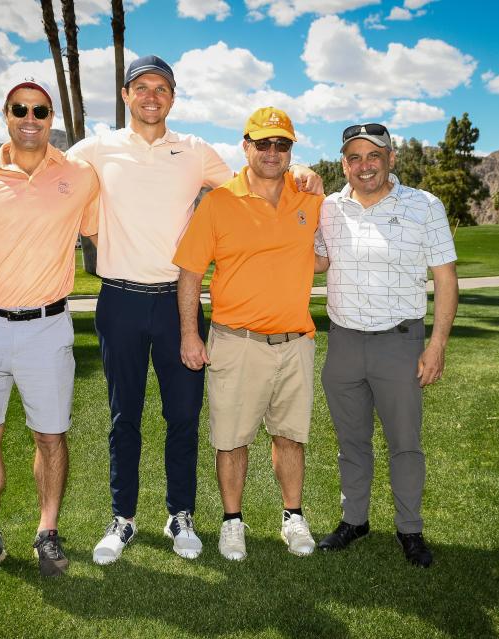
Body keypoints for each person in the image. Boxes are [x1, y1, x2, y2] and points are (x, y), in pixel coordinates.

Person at [0, 55, 323, 565]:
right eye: (140, 87)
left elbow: (254, 173)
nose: (151, 96)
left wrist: (299, 166)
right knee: (124, 417)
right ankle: (123, 518)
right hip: (119, 299)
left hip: (176, 301)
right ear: (125, 96)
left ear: (173, 96)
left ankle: (180, 515)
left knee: (183, 416)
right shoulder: (97, 149)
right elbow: (31, 150)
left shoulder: (193, 151)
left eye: (161, 88)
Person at [0, 76, 99, 585]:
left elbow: (112, 227)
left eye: (39, 111)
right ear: (5, 114)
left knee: (49, 435)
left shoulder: (79, 175)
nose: (30, 119)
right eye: (20, 109)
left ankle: (47, 531)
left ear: (51, 118)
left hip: (48, 326)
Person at [173, 107, 322, 561]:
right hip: (237, 343)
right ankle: (232, 522)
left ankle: (292, 515)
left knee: (290, 436)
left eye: (282, 145)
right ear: (246, 146)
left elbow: (325, 254)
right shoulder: (219, 202)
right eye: (264, 144)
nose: (273, 152)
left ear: (291, 150)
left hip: (296, 342)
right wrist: (189, 335)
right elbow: (190, 273)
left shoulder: (309, 198)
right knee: (231, 439)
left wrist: (311, 177)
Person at [313, 123, 458, 568]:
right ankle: (354, 520)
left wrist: (436, 346)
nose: (364, 165)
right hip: (343, 342)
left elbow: (446, 279)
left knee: (405, 443)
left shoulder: (423, 205)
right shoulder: (330, 208)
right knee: (350, 442)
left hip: (400, 341)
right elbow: (319, 260)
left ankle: (409, 529)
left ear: (391, 158)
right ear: (344, 164)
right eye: (354, 157)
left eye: (373, 155)